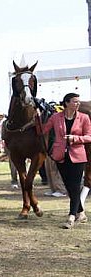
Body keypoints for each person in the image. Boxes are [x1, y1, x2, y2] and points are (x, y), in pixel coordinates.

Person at [40, 93, 91, 229]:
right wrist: (37, 118)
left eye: (78, 102)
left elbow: (89, 137)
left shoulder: (84, 118)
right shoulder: (56, 117)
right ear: (67, 103)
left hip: (78, 157)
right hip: (60, 156)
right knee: (70, 188)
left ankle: (71, 217)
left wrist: (75, 138)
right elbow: (43, 130)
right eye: (75, 101)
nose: (78, 104)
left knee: (74, 186)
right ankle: (81, 213)